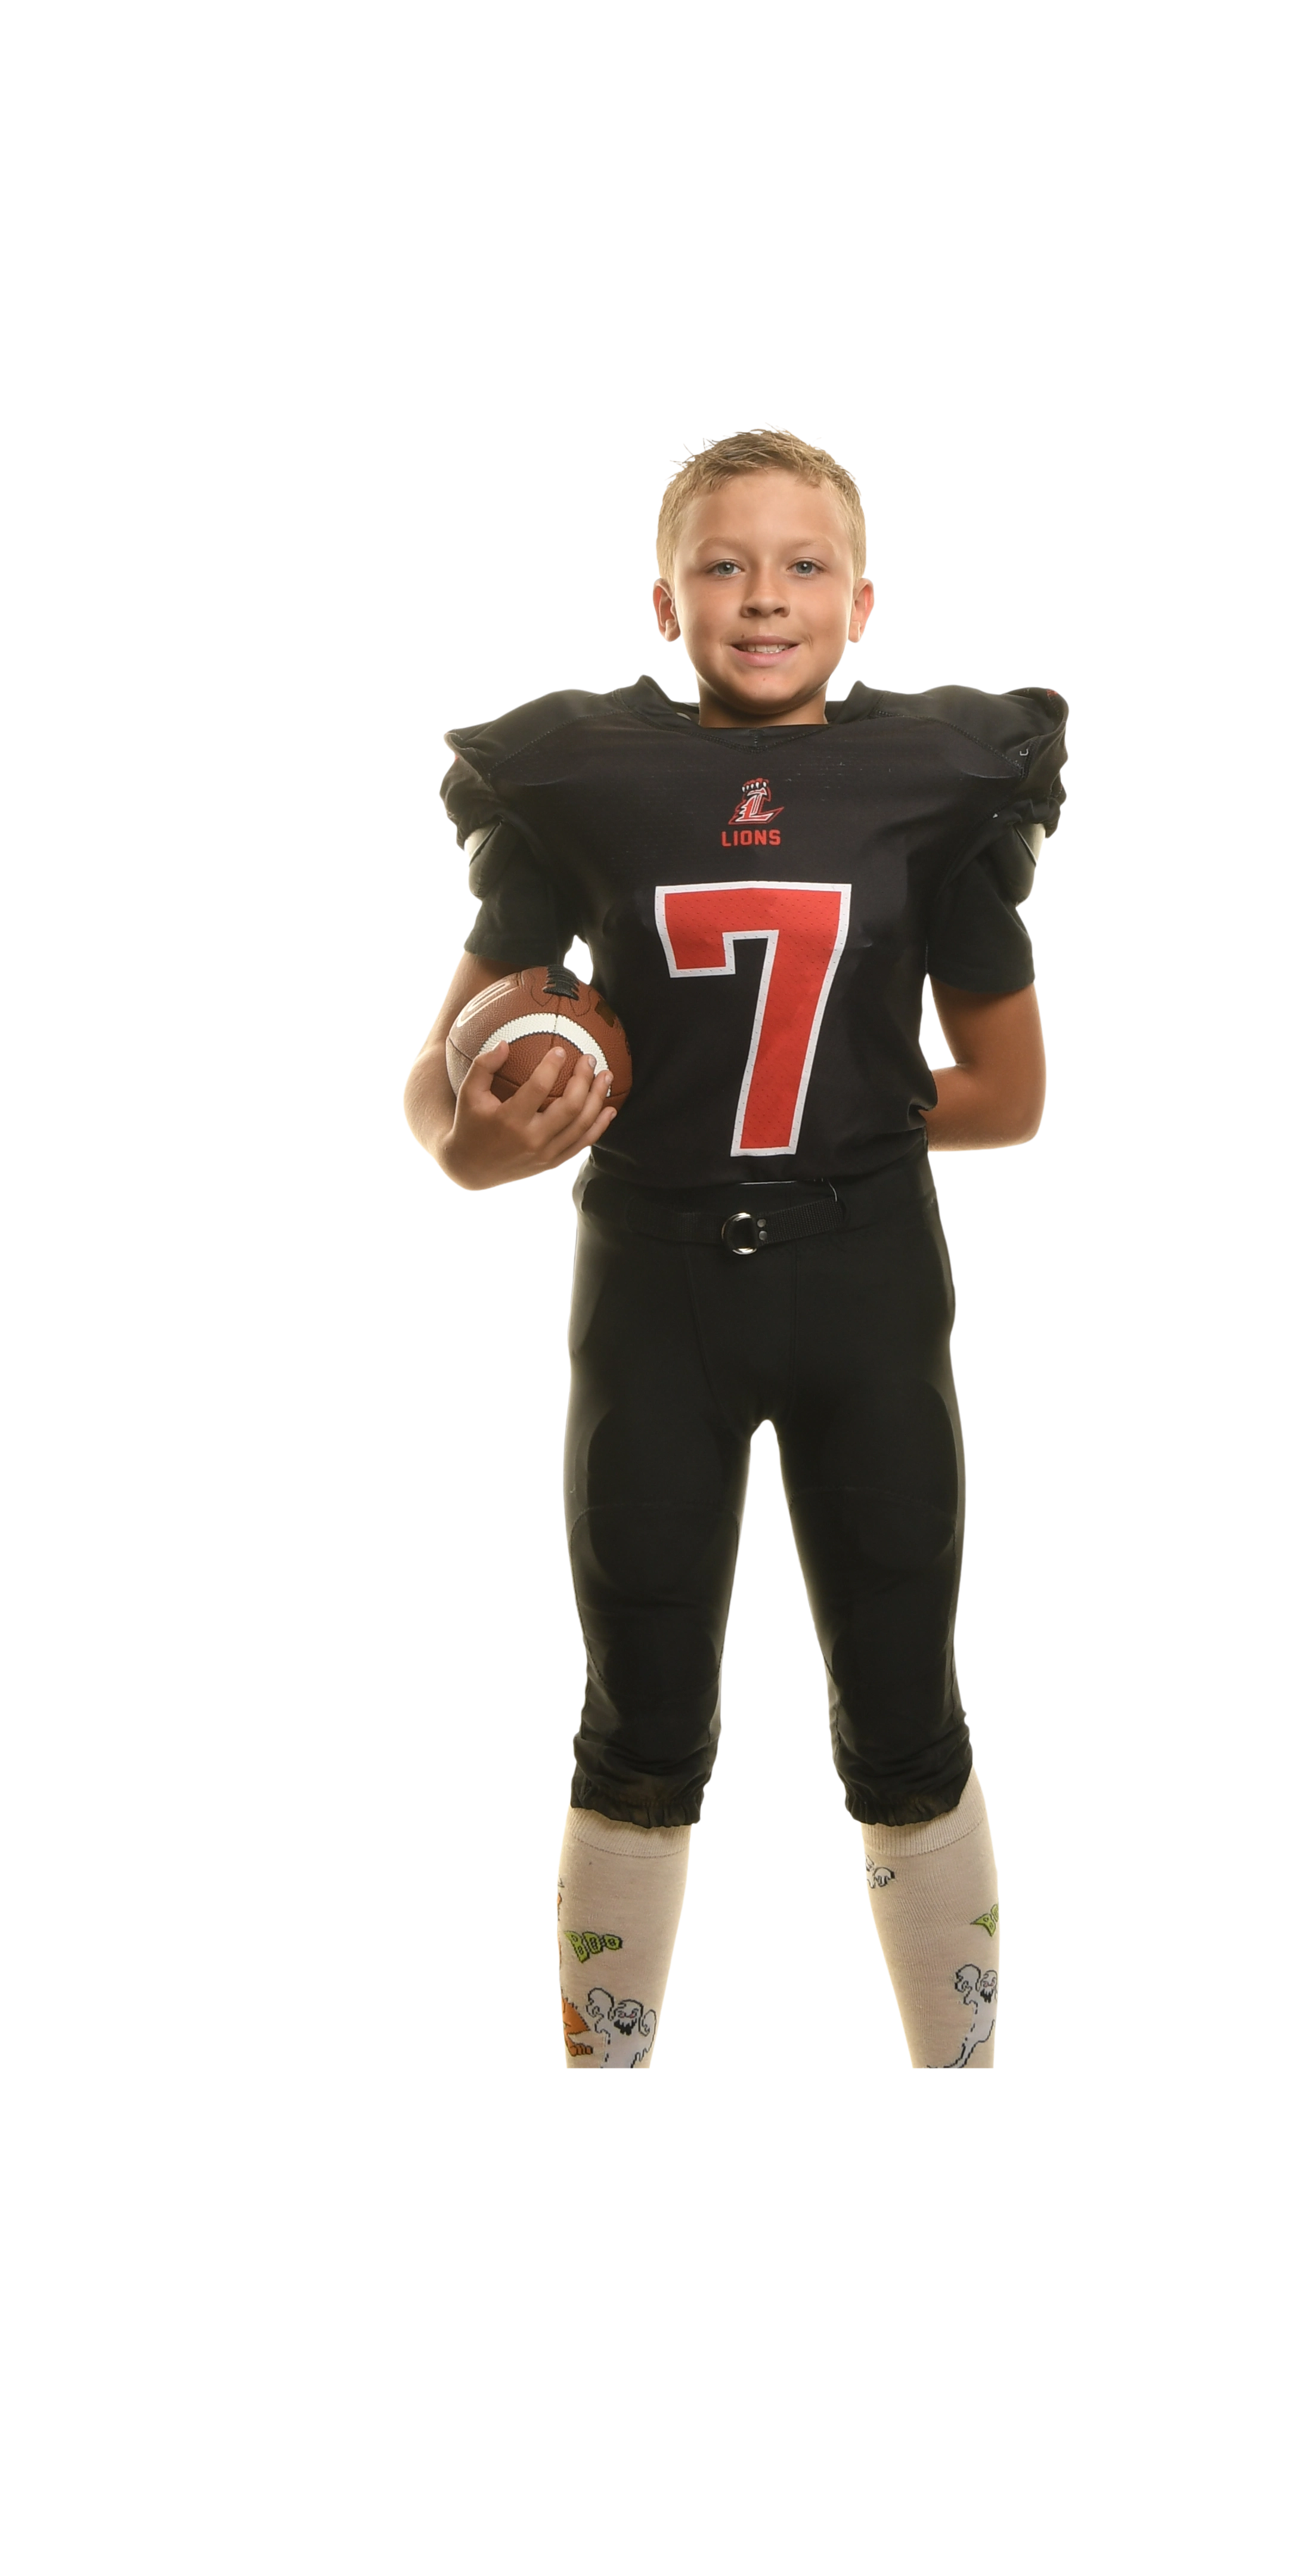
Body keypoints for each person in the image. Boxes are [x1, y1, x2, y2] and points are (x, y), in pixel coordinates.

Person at [401, 422, 1064, 2068]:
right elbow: (437, 1087)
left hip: (869, 1282)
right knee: (638, 1719)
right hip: (653, 1294)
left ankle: (965, 2085)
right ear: (663, 599)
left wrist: (841, 1110)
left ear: (863, 601)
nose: (765, 596)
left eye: (804, 565)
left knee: (906, 1707)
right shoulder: (586, 783)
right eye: (723, 563)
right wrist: (479, 1141)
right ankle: (605, 2083)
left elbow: (1009, 1093)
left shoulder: (938, 781)